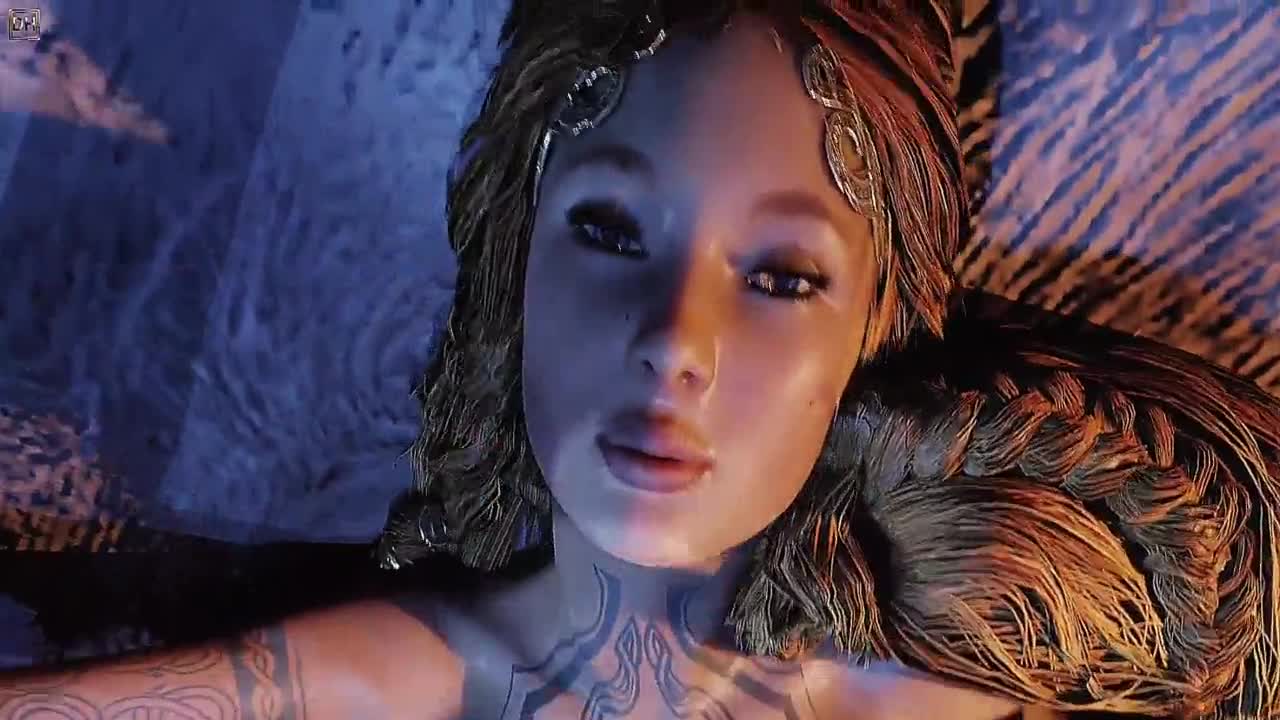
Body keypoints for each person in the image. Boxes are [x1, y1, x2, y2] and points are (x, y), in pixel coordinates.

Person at [2, 1, 1276, 718]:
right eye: (608, 230)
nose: (674, 342)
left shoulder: (956, 693)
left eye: (781, 277)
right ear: (513, 257)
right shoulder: (411, 671)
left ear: (875, 327)